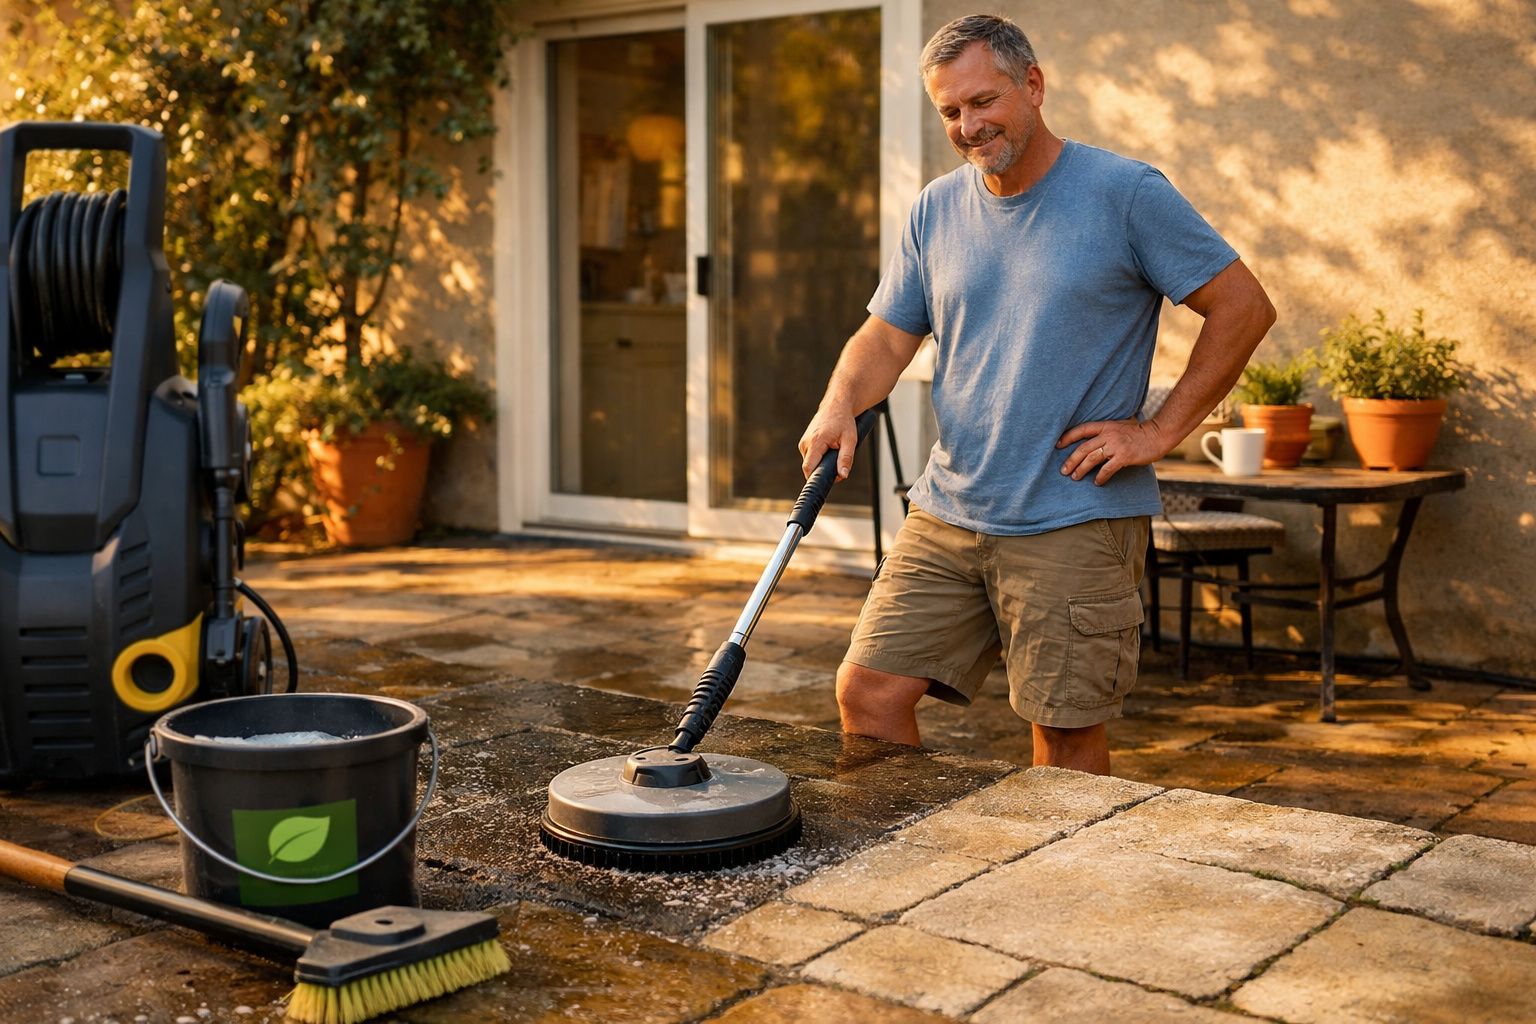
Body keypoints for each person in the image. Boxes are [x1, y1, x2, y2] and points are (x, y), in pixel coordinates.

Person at [798, 13, 1276, 774]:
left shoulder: (1124, 192)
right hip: (949, 507)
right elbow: (887, 337)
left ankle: (1064, 890)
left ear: (1034, 85)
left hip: (1073, 515)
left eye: (982, 101)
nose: (967, 125)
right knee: (869, 693)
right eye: (950, 111)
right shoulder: (936, 209)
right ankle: (899, 871)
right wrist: (837, 405)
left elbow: (1244, 307)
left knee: (1063, 736)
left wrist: (1157, 433)